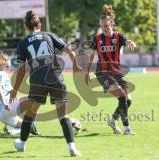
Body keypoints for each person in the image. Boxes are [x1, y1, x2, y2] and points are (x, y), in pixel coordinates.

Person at [10, 10, 82, 156]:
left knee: (30, 115)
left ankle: (22, 144)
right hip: (56, 78)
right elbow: (71, 53)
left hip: (37, 82)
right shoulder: (49, 35)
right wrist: (75, 66)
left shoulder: (23, 43)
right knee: (64, 116)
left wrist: (15, 89)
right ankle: (72, 147)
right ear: (39, 24)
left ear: (26, 26)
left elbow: (21, 70)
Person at [85, 4, 137, 135]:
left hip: (117, 72)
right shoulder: (97, 39)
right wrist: (86, 72)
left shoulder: (118, 36)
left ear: (112, 24)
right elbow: (91, 56)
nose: (104, 29)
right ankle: (127, 129)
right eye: (102, 27)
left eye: (106, 26)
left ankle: (112, 120)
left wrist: (131, 42)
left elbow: (127, 40)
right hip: (103, 74)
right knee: (122, 97)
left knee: (128, 100)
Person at [0, 54, 40, 136]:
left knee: (25, 126)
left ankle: (13, 132)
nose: (9, 68)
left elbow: (6, 93)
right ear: (1, 65)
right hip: (5, 109)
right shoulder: (0, 74)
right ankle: (31, 125)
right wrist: (5, 103)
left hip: (2, 116)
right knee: (35, 100)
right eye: (7, 66)